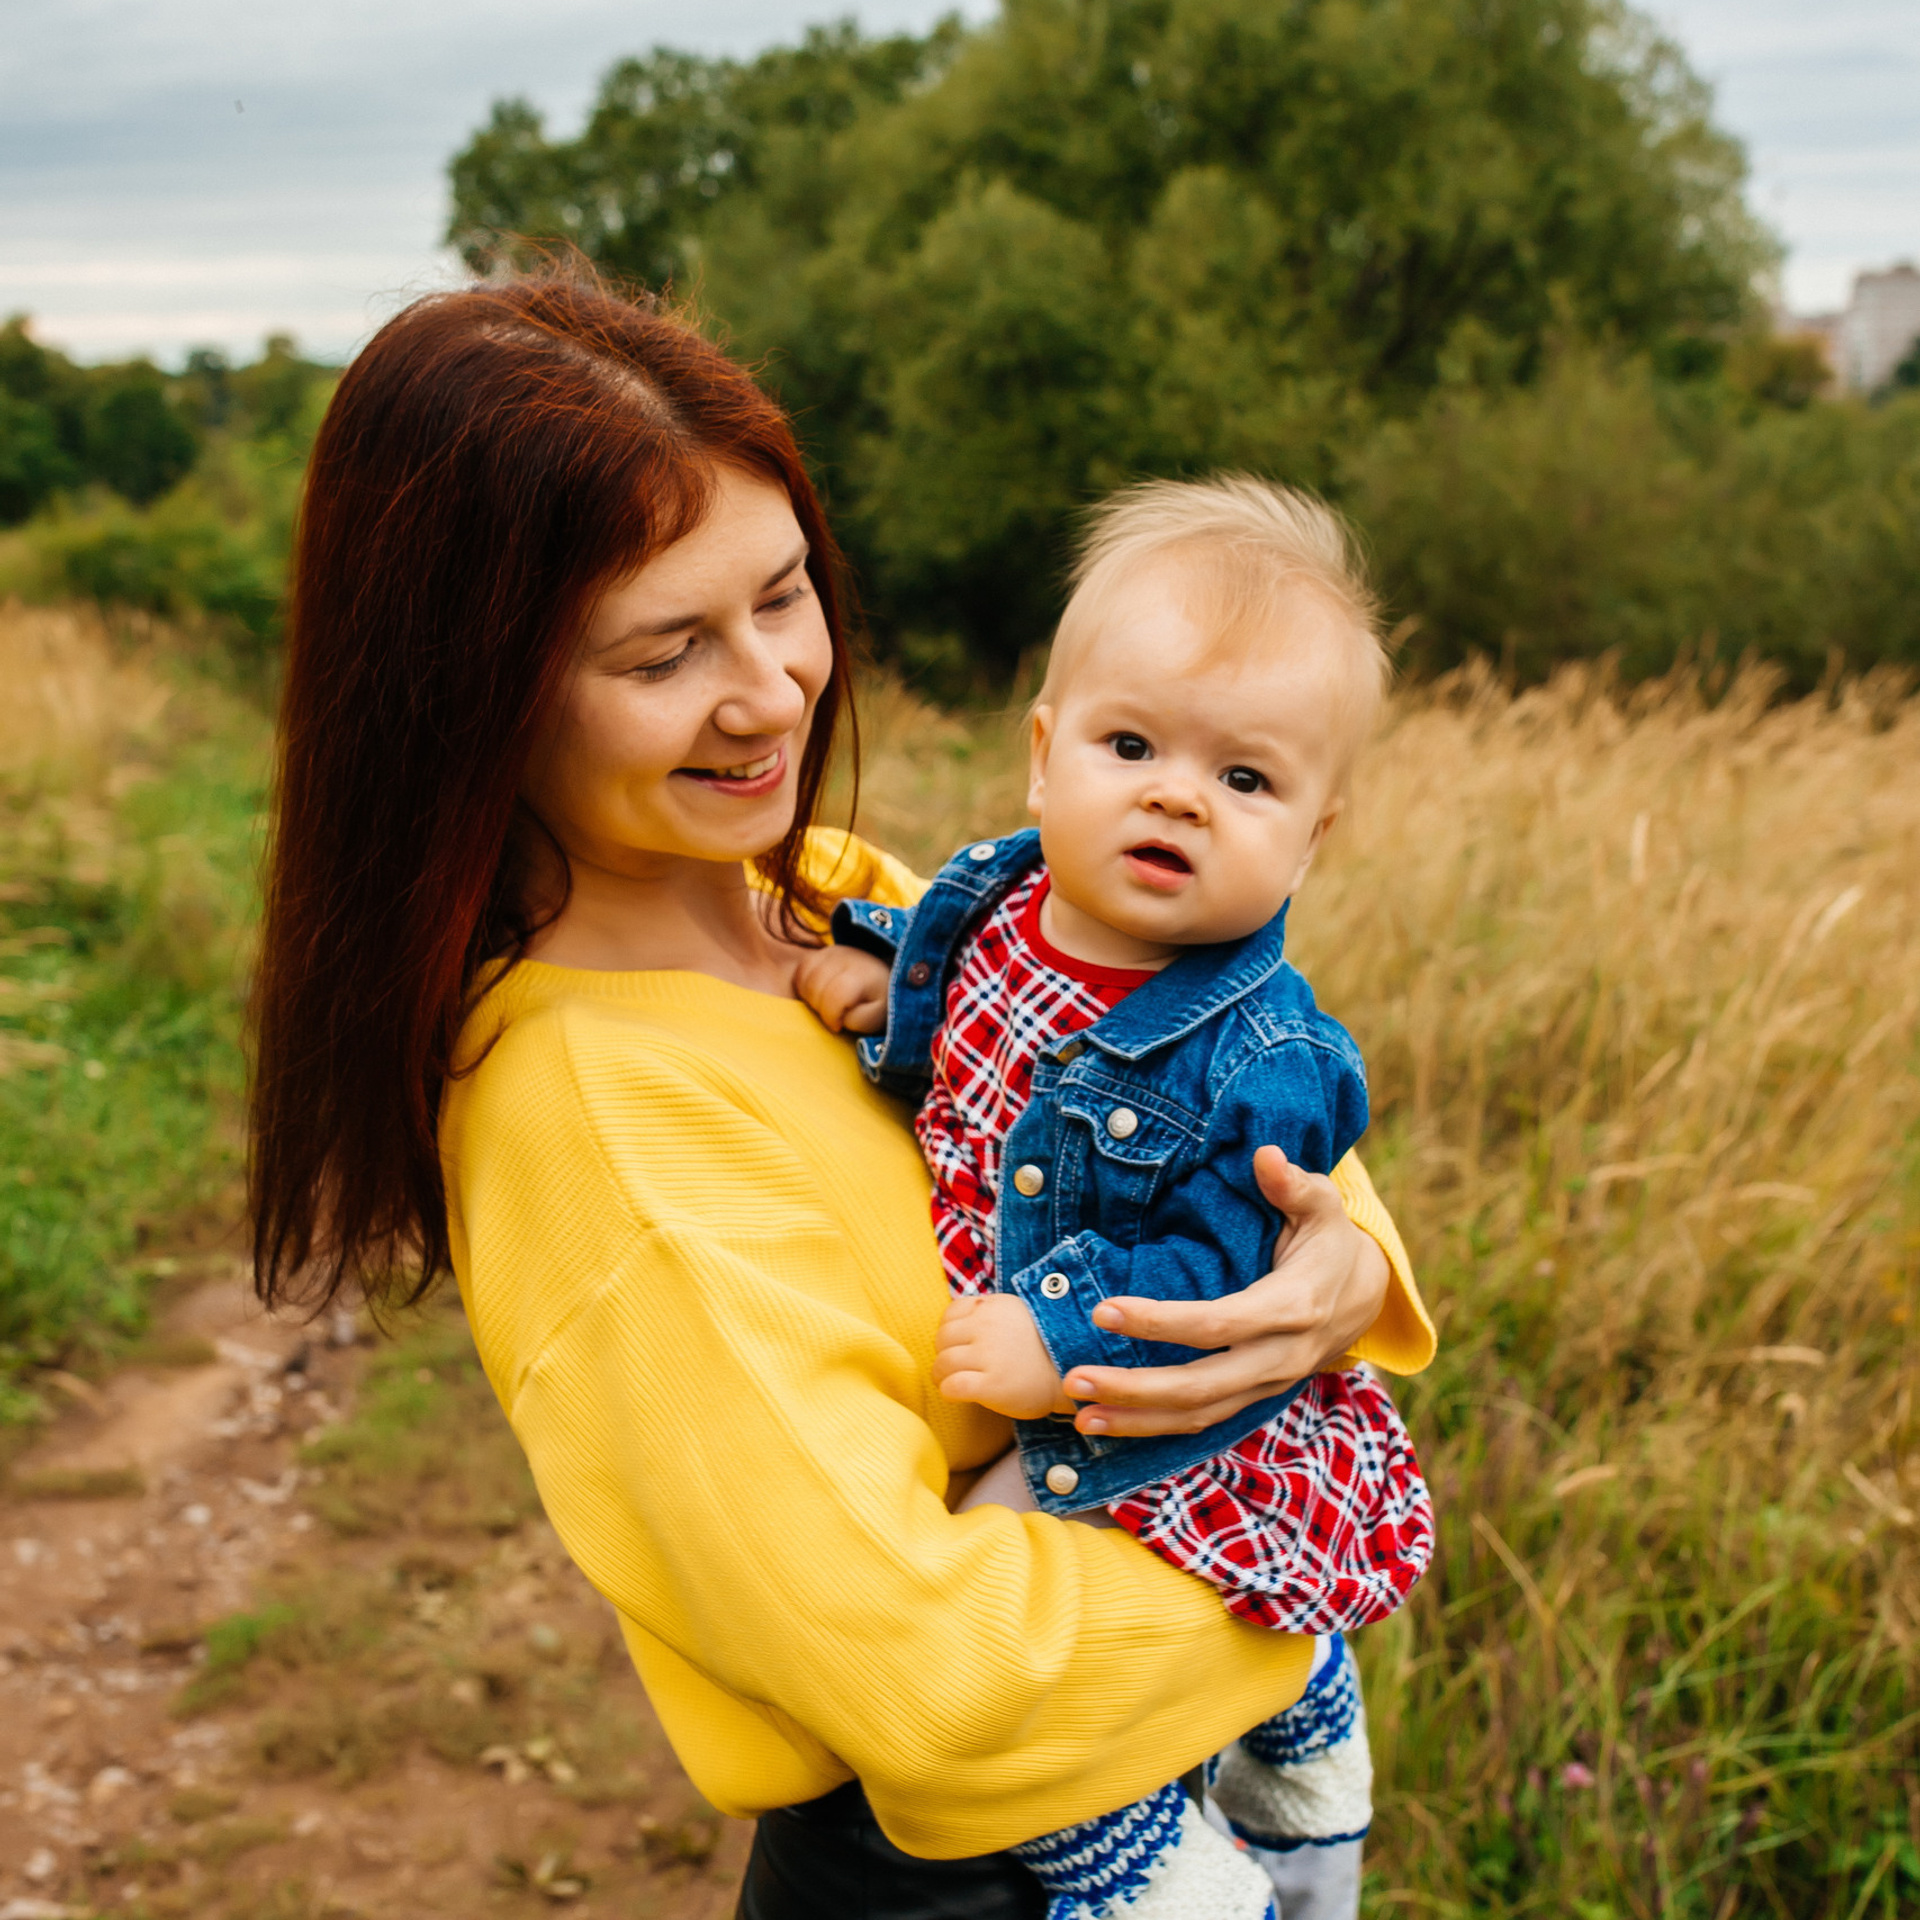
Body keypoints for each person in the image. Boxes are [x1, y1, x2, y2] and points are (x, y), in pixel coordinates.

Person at [247, 270, 1437, 1919]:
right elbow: (943, 1686)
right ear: (477, 695)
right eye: (666, 652)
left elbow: (1190, 1096)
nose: (770, 693)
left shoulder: (826, 891)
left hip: (1146, 1769)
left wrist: (1345, 1271)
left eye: (784, 596)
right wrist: (1298, 1594)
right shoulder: (601, 1128)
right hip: (969, 1875)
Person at [796, 478, 1433, 1920]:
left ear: (1315, 836)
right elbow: (958, 1019)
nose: (1174, 794)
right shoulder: (992, 903)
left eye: (1245, 780)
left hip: (1156, 1403)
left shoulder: (1266, 1056)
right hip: (1060, 1363)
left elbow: (1225, 1266)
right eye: (1131, 744)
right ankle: (1305, 1697)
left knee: (1007, 1578)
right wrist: (881, 996)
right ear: (1044, 759)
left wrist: (1058, 1338)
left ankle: (1134, 1845)